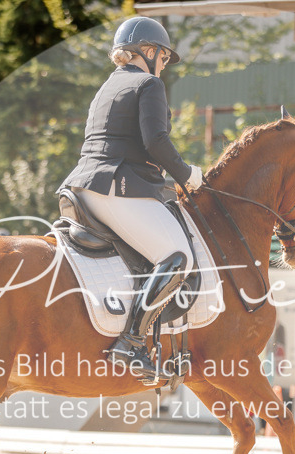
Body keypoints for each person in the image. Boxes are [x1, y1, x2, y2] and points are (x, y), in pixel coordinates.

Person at [60, 16, 203, 380]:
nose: (165, 65)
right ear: (150, 51)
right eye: (165, 57)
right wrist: (188, 175)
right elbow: (155, 142)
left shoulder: (107, 86)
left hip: (82, 188)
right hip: (116, 188)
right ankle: (133, 341)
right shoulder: (149, 83)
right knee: (177, 257)